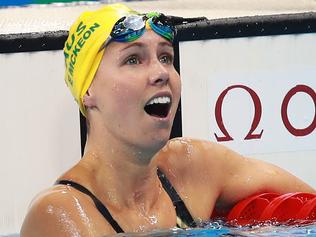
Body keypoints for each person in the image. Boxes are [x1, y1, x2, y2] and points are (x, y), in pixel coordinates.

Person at [20, 3, 315, 237]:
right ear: (88, 91)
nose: (161, 72)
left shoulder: (193, 167)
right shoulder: (60, 214)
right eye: (133, 59)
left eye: (165, 57)